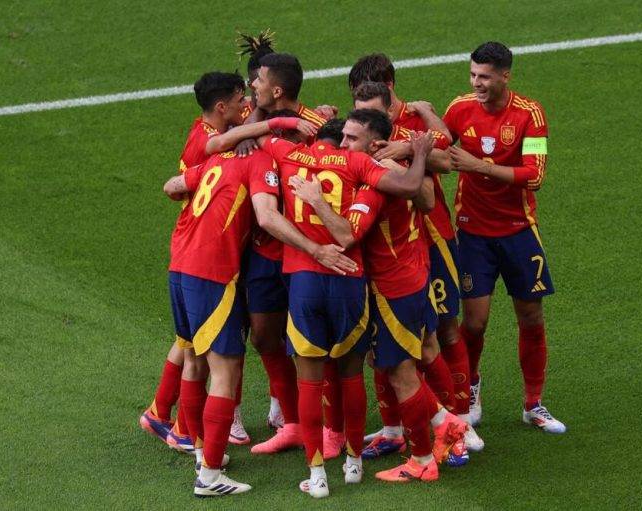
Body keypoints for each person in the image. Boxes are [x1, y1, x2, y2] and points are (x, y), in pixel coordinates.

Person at [162, 115, 356, 497]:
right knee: (225, 369)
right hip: (213, 274)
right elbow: (267, 217)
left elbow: (171, 185)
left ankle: (202, 452)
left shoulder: (217, 160)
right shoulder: (260, 162)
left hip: (179, 266)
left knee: (194, 358)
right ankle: (210, 477)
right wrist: (315, 248)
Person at [257, 110, 434, 497]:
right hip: (353, 280)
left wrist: (279, 123)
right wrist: (418, 151)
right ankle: (354, 463)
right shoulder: (360, 165)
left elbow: (254, 136)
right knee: (354, 373)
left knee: (311, 379)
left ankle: (318, 475)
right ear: (342, 140)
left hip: (308, 278)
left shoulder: (290, 155)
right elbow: (412, 188)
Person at [290, 109, 469, 483]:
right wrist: (413, 152)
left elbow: (346, 235)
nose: (342, 146)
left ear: (373, 143)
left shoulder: (375, 185)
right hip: (412, 275)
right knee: (401, 363)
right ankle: (446, 423)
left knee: (402, 374)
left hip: (392, 288)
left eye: (351, 139)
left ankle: (422, 458)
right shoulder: (397, 168)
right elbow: (427, 201)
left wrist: (316, 200)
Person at [443, 41, 566, 433]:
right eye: (473, 75)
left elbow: (536, 175)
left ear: (505, 76)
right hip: (473, 233)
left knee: (530, 317)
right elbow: (437, 147)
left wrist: (479, 165)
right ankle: (471, 386)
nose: (476, 83)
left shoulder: (530, 115)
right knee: (474, 323)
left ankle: (534, 404)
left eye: (485, 77)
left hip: (518, 232)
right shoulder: (459, 109)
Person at [140, 71, 247, 453]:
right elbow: (226, 143)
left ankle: (162, 413)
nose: (244, 104)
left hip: (186, 245)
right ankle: (186, 430)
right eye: (239, 99)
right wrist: (273, 123)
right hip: (205, 251)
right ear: (221, 106)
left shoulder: (199, 128)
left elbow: (174, 186)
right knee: (203, 353)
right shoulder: (210, 143)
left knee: (187, 344)